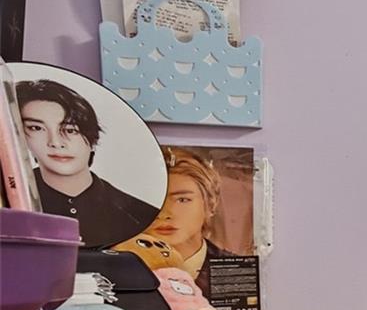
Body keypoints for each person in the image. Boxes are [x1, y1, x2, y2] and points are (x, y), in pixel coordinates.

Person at [15, 78, 159, 247]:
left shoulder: (140, 215)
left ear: (93, 139)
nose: (55, 142)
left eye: (70, 130)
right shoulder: (10, 204)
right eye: (36, 128)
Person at [148, 148, 247, 297]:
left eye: (182, 200)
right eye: (153, 199)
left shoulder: (235, 269)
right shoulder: (121, 268)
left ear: (211, 204)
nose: (165, 214)